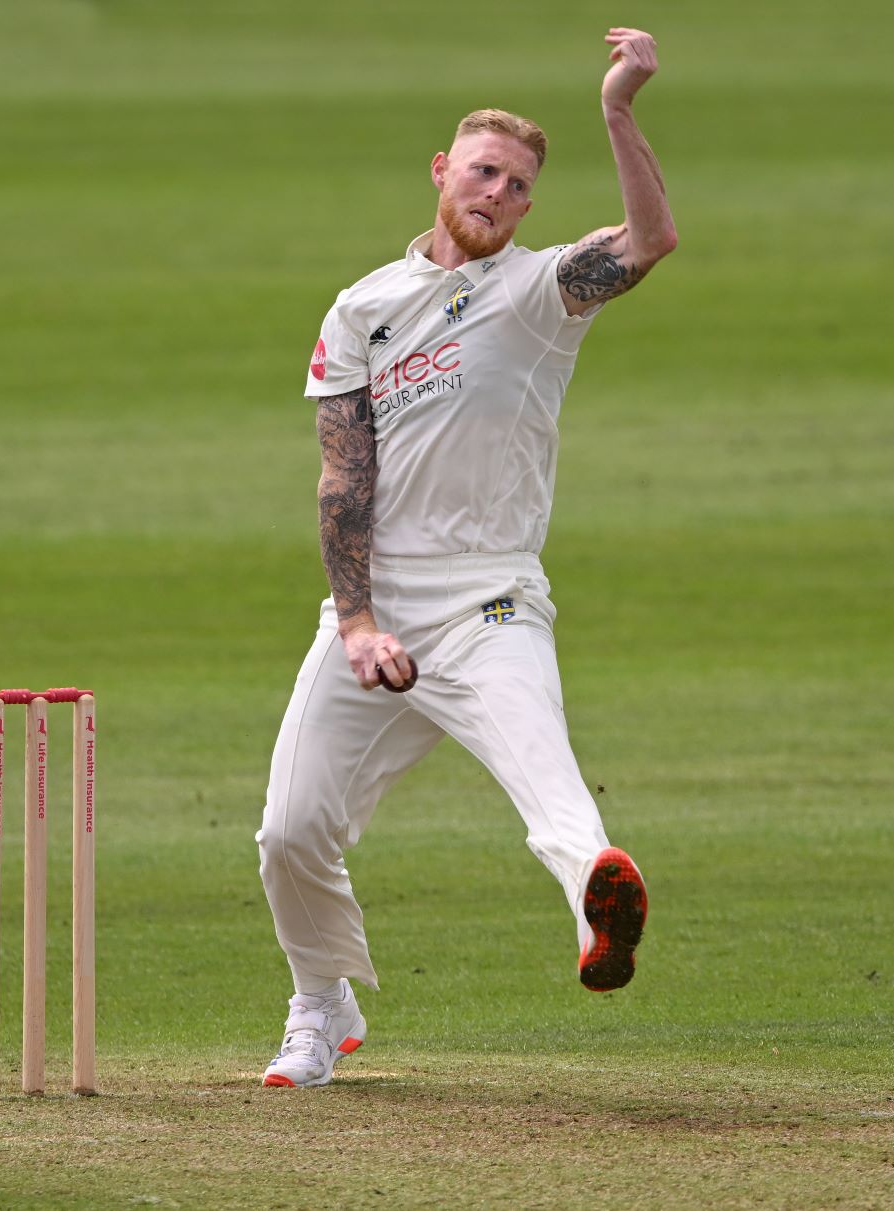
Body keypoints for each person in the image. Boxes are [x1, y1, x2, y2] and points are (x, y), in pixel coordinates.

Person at [256, 28, 679, 1088]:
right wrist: (356, 621)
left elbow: (650, 237)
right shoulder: (363, 309)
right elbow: (342, 475)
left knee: (552, 788)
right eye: (482, 169)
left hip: (490, 605)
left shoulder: (539, 294)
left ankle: (600, 908)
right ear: (443, 174)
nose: (497, 190)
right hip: (377, 613)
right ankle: (320, 1007)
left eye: (518, 183)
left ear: (530, 208)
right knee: (288, 832)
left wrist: (619, 112)